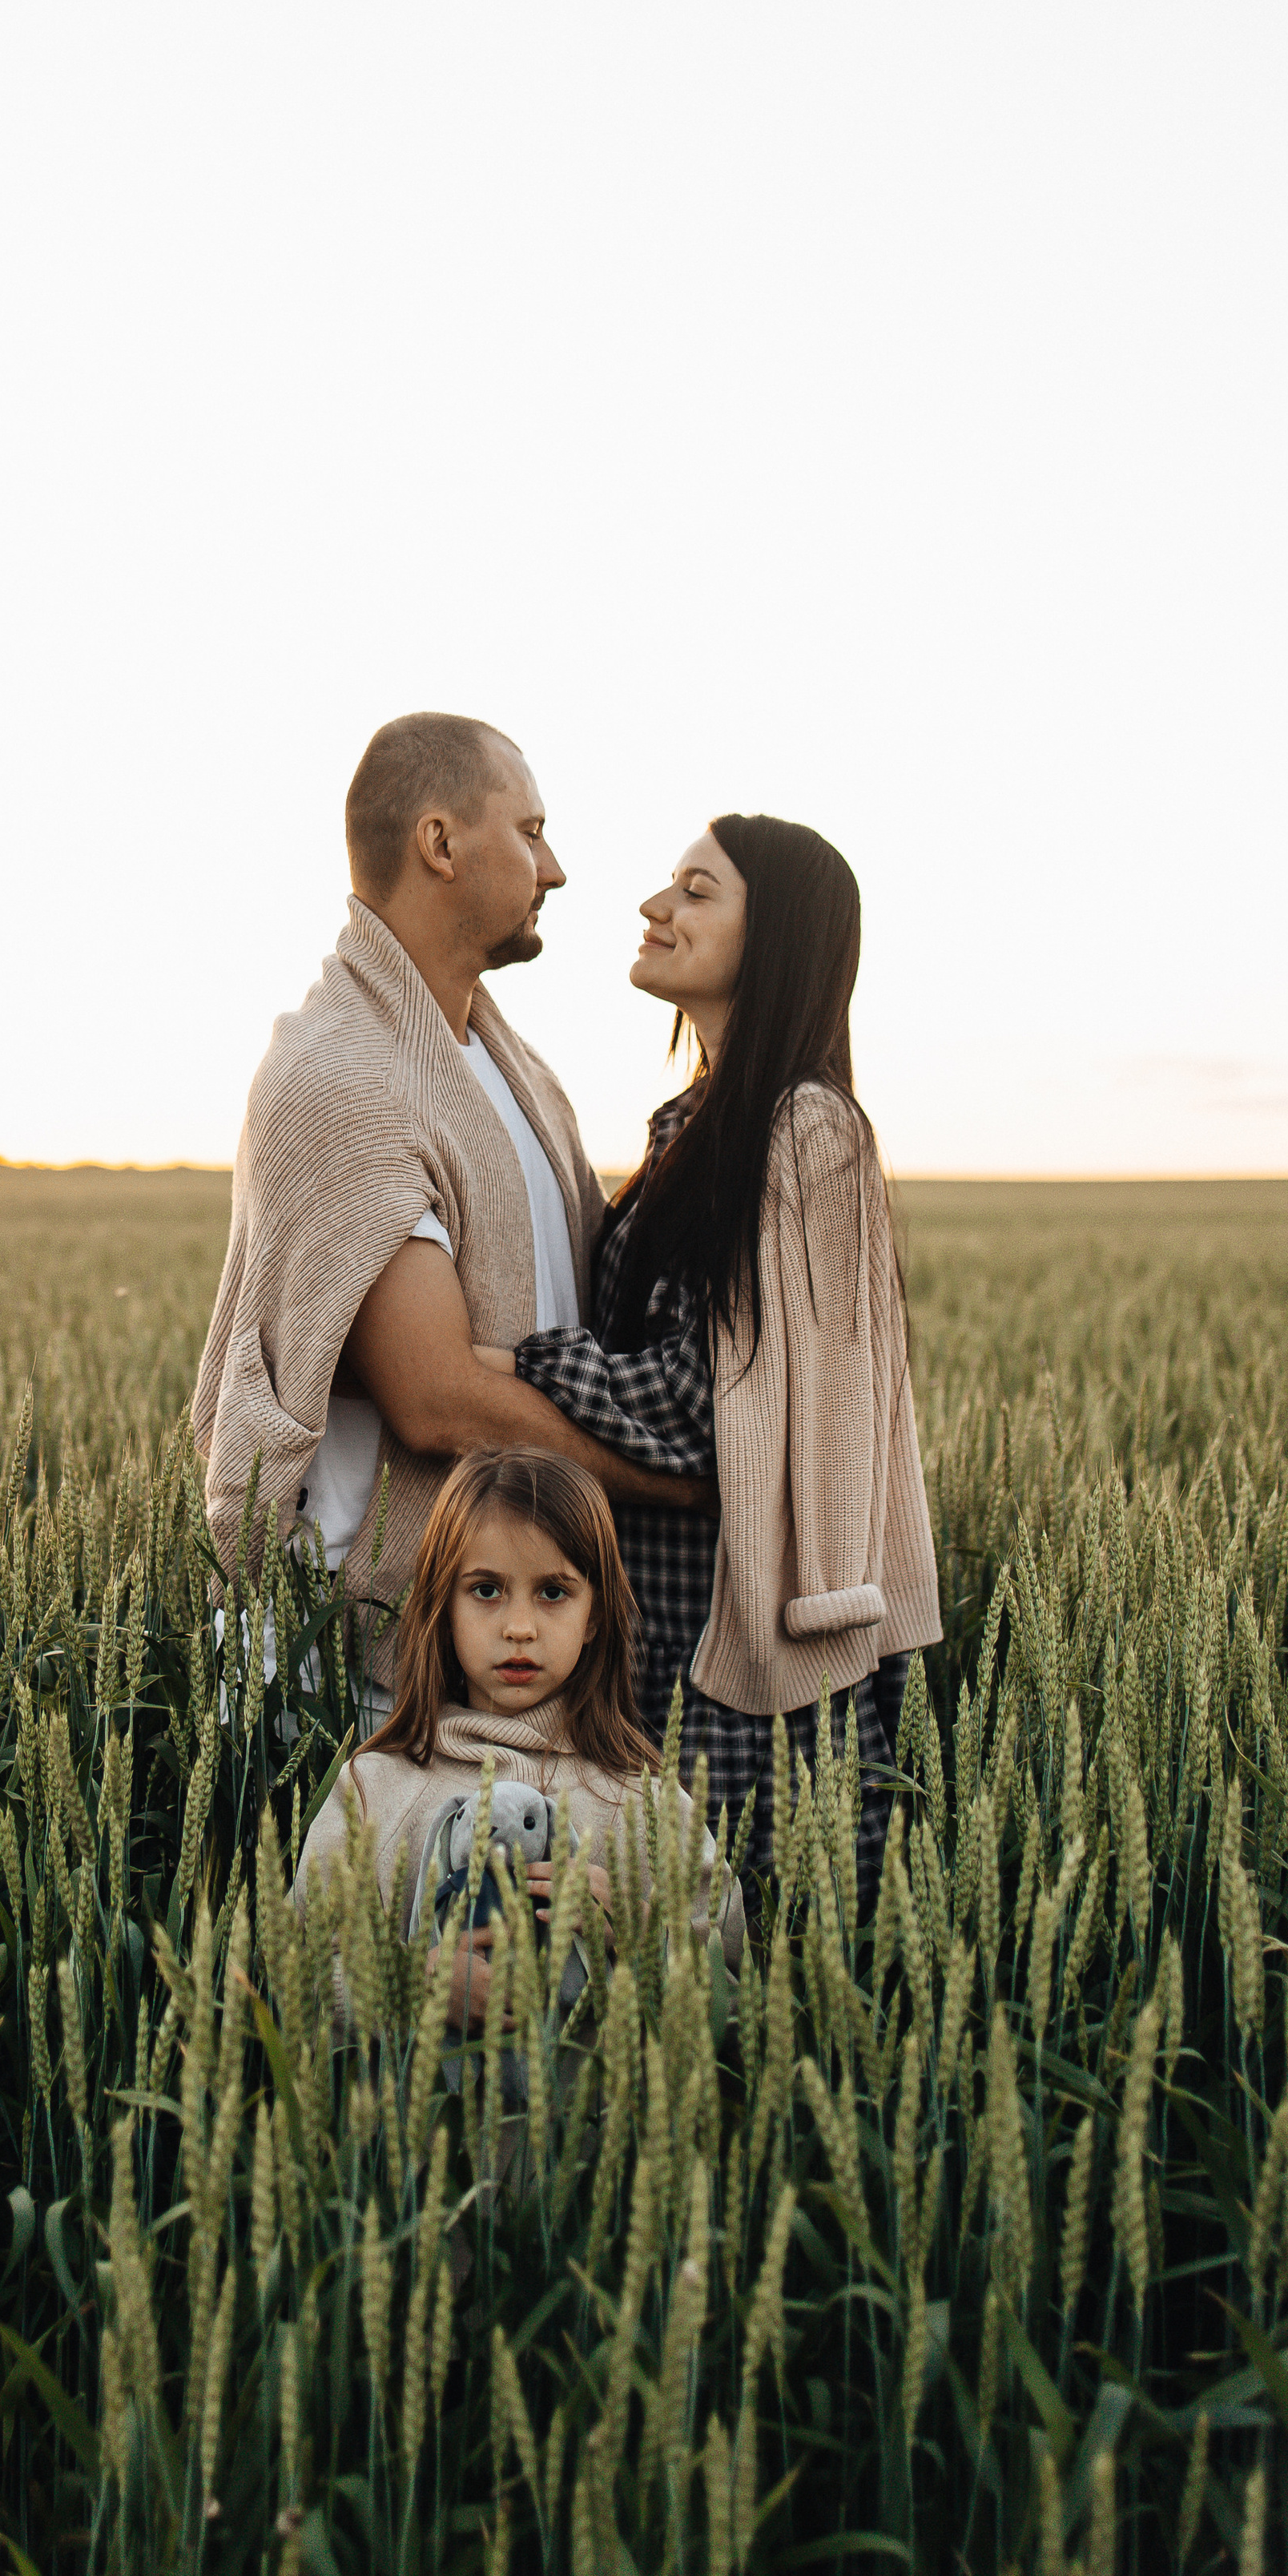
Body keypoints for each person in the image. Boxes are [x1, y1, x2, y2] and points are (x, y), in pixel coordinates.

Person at [191, 712, 702, 1693]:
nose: (553, 869)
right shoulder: (342, 1072)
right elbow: (434, 1401)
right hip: (366, 1668)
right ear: (440, 843)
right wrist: (675, 1487)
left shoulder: (507, 1068)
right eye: (530, 831)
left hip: (509, 1640)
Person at [503, 815, 940, 1909]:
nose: (657, 907)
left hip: (742, 1664)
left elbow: (715, 1407)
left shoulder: (807, 1131)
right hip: (662, 1636)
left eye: (697, 891)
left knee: (733, 1965)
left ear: (778, 937)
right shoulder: (694, 1125)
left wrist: (514, 1361)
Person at [292, 1446, 743, 2025]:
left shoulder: (644, 1803)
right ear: (444, 1607)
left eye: (554, 1592)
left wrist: (637, 1929)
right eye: (486, 1590)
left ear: (596, 1617)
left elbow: (734, 2003)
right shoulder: (375, 1787)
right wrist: (409, 1985)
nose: (520, 1628)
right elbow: (293, 1977)